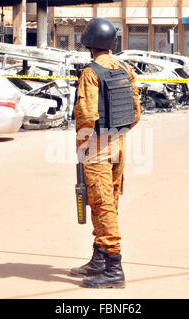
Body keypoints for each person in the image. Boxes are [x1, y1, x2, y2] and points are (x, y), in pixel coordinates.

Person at [70, 17, 141, 289]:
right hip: (119, 143)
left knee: (102, 205)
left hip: (97, 148)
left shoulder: (91, 73)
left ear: (89, 42)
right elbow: (135, 114)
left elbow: (86, 116)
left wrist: (82, 147)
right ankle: (99, 259)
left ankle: (113, 268)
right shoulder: (124, 68)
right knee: (108, 201)